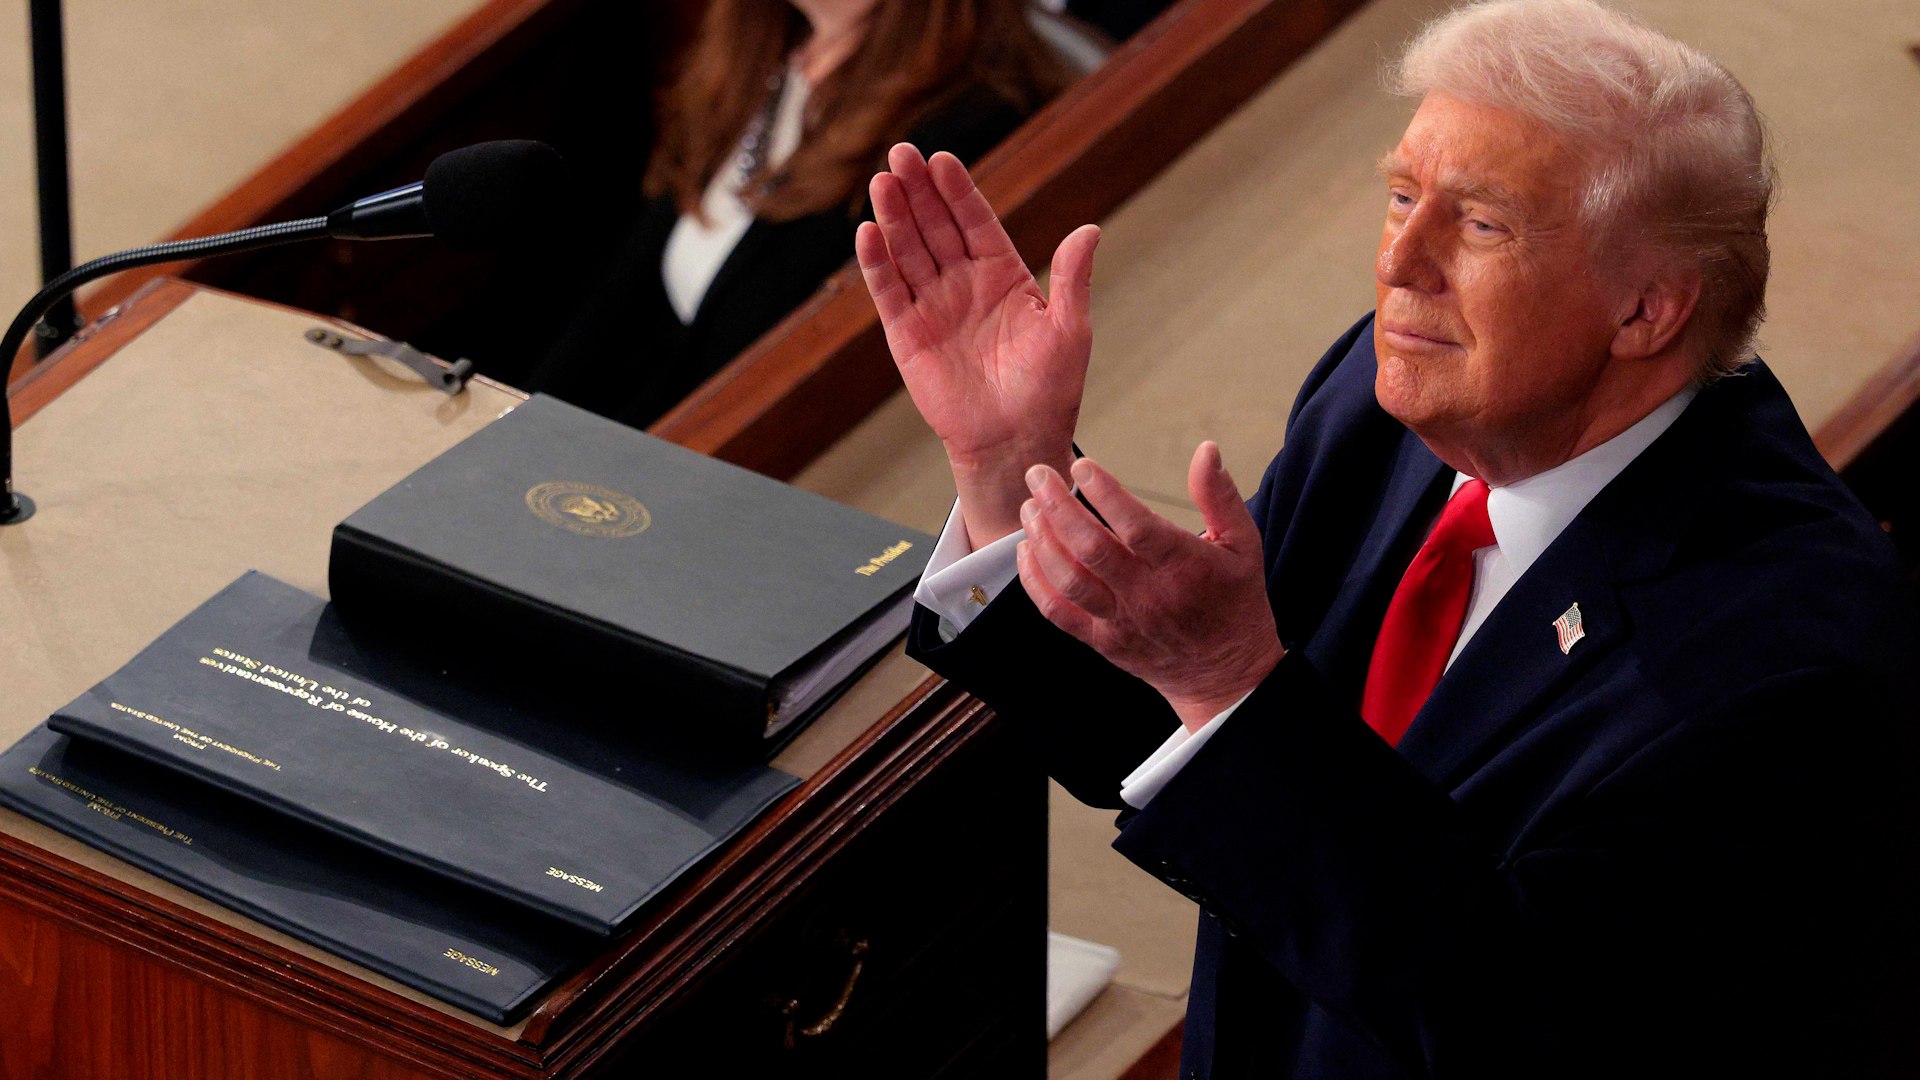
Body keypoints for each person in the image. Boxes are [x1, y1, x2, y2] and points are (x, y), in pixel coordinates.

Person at [853, 0, 1920, 1076]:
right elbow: (1198, 744)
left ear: (1648, 312)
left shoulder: (1793, 666)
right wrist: (1009, 465)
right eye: (1403, 196)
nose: (1402, 261)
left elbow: (1519, 1021)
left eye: (1484, 222)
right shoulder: (1387, 403)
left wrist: (1230, 684)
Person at [524, 0, 1068, 430]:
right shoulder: (754, 59)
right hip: (626, 424)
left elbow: (769, 361)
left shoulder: (965, 125)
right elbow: (622, 293)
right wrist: (518, 421)